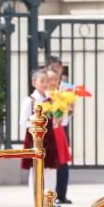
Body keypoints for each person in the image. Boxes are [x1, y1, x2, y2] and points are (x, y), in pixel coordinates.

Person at [19, 68, 59, 196]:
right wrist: (36, 125)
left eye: (47, 81)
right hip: (35, 139)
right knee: (36, 169)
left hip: (49, 139)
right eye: (42, 81)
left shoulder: (51, 100)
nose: (45, 84)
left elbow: (59, 122)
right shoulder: (30, 100)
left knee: (51, 170)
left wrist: (60, 115)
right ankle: (35, 200)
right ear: (34, 82)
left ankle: (50, 199)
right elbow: (23, 122)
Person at [46, 56, 73, 205]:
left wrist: (67, 109)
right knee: (49, 165)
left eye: (58, 69)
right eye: (53, 68)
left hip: (60, 130)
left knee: (62, 163)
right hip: (47, 133)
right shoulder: (43, 94)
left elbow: (66, 118)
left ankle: (61, 194)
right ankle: (49, 195)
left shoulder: (64, 91)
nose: (53, 81)